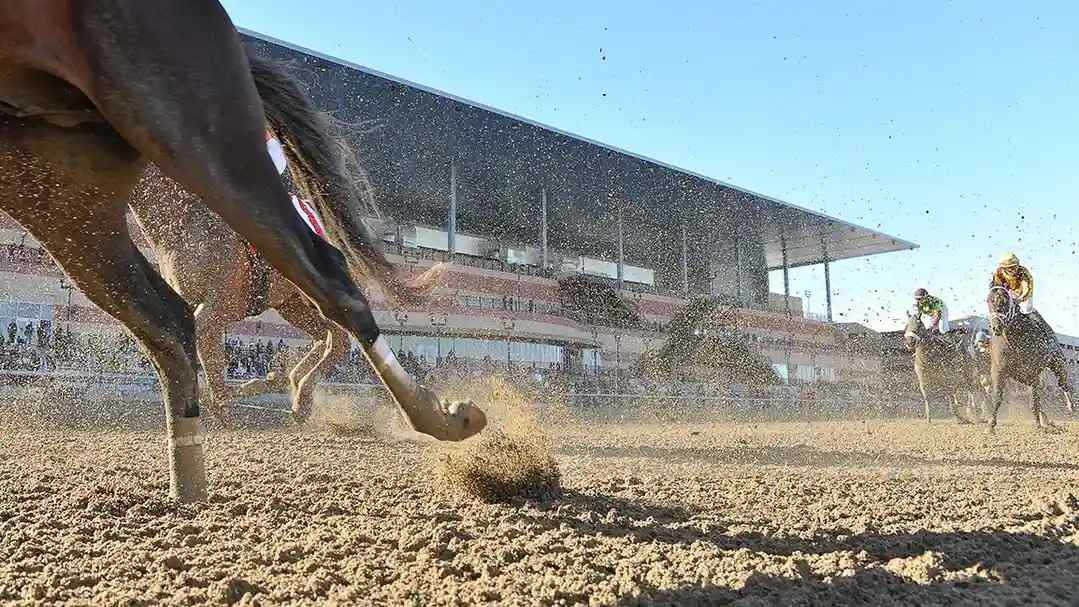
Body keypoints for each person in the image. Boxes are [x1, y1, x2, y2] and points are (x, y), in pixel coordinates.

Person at [991, 252, 1055, 341]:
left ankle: (1047, 332)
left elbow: (1026, 290)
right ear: (1003, 268)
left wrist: (1019, 299)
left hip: (1023, 292)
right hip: (1009, 291)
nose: (1013, 269)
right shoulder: (998, 273)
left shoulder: (1023, 273)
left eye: (1014, 266)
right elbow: (995, 288)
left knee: (1026, 309)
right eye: (1010, 268)